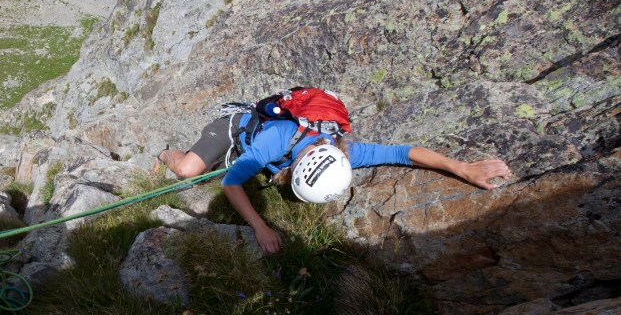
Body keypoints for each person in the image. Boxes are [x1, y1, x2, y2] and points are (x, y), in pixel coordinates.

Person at [155, 107, 512, 255]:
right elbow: (231, 184)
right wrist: (260, 226)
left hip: (262, 149)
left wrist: (461, 168)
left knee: (229, 167)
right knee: (189, 172)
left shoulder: (343, 151)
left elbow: (404, 153)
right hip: (234, 127)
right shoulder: (275, 142)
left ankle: (215, 158)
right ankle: (165, 153)